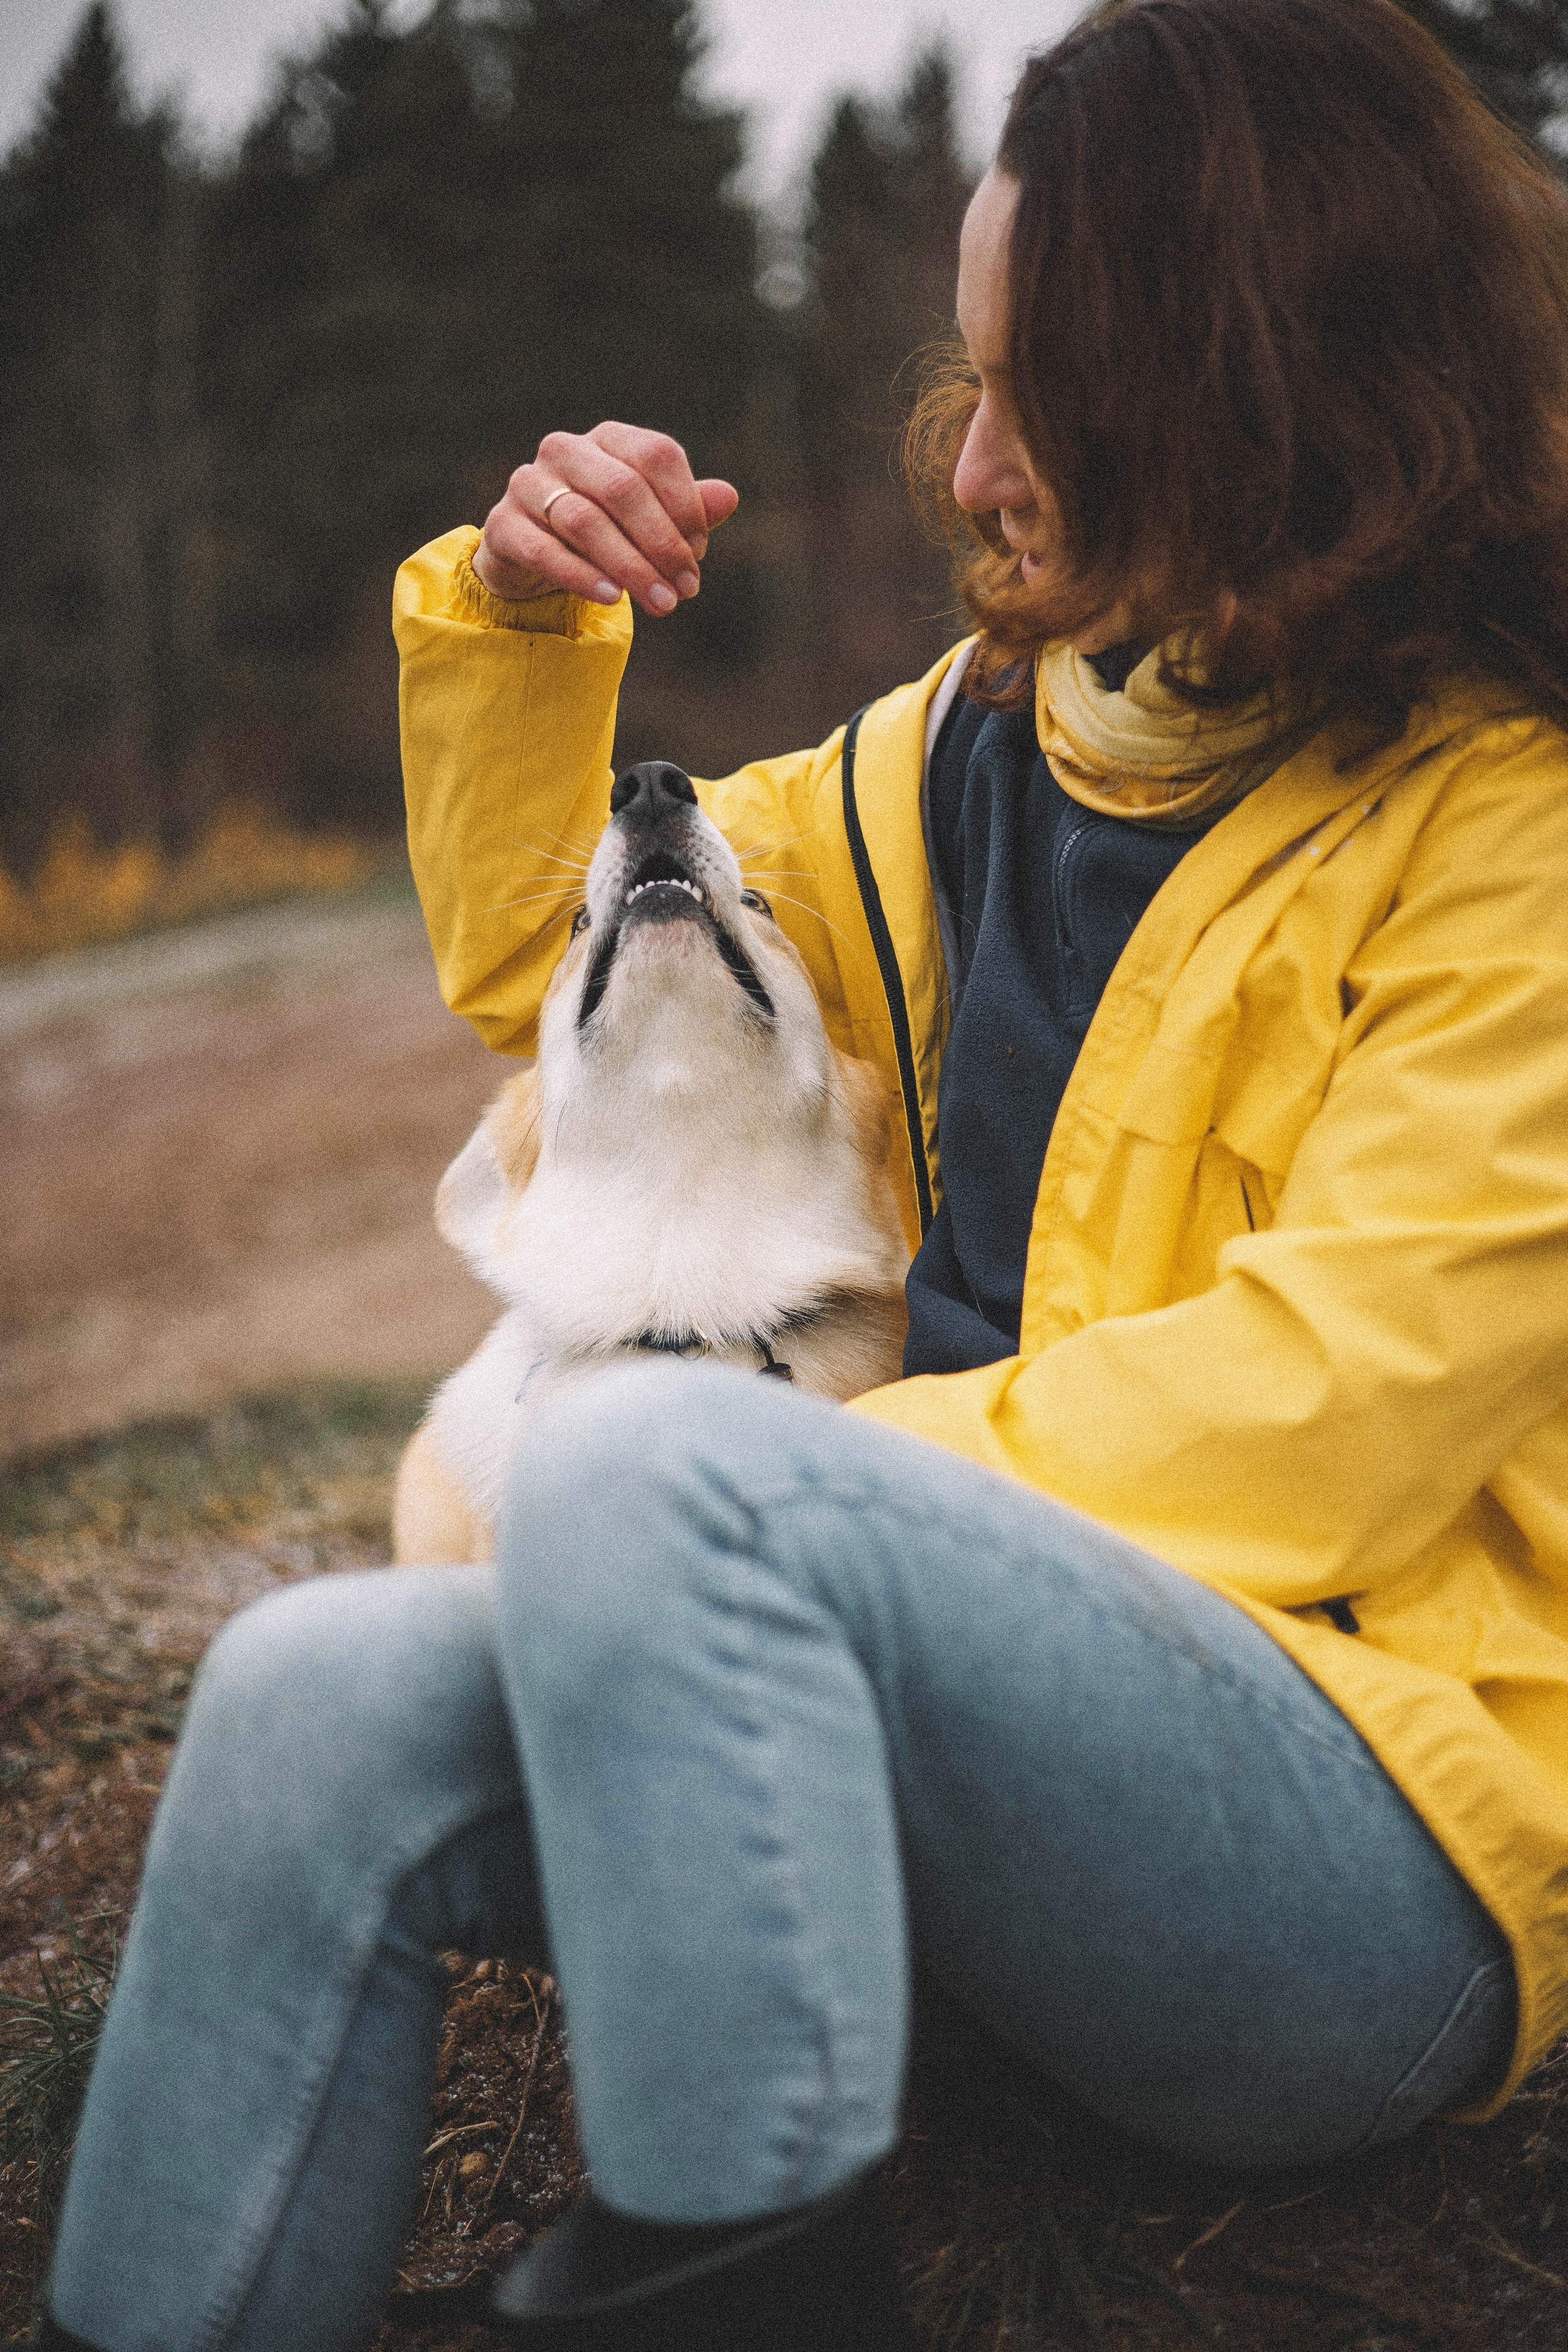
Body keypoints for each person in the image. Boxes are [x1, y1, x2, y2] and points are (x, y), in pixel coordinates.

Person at [41, 1, 1568, 2346]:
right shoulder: (955, 760)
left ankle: (737, 2299)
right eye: (973, 388)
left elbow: (1337, 1413)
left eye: (1045, 397)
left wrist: (772, 1512)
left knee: (658, 1462)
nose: (975, 477)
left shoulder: (1513, 843)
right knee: (301, 1700)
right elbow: (561, 948)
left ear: (1262, 392)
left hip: (1365, 1870)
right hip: (918, 1741)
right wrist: (526, 625)